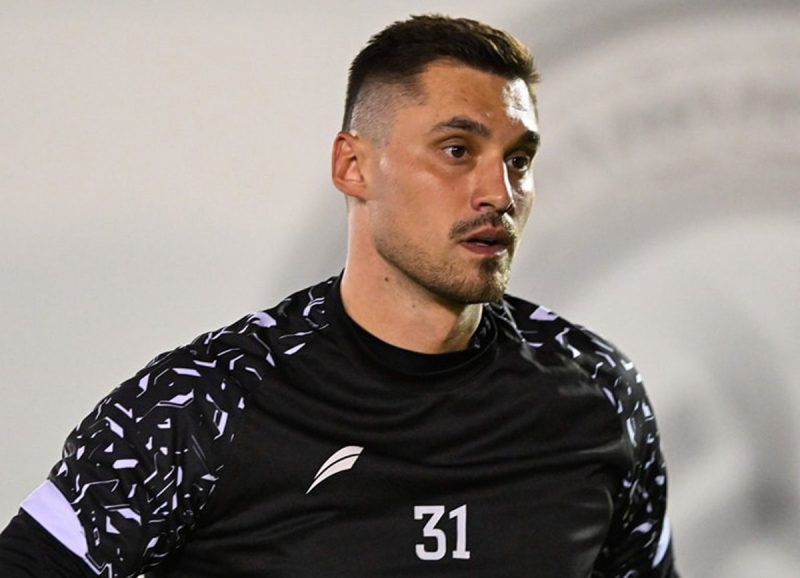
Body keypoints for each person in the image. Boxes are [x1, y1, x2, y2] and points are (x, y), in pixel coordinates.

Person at [0, 14, 678, 577]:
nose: (498, 194)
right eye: (456, 150)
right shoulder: (205, 404)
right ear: (353, 165)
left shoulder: (599, 394)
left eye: (519, 160)